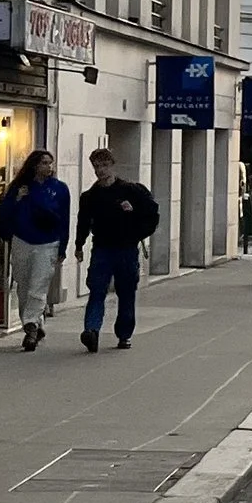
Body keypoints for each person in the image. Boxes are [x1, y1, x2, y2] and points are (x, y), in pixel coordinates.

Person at [75, 147, 161, 352]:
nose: (100, 171)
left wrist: (138, 229)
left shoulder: (132, 191)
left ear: (112, 165)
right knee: (97, 290)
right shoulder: (90, 196)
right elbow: (83, 222)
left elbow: (152, 214)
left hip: (126, 248)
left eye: (104, 166)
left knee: (126, 292)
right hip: (102, 248)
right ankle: (92, 330)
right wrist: (79, 244)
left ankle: (124, 334)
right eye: (96, 166)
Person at [0, 147, 71, 351]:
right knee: (24, 284)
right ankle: (36, 324)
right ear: (34, 165)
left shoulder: (59, 189)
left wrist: (63, 246)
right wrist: (18, 199)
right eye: (44, 162)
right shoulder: (20, 187)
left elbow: (64, 218)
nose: (48, 166)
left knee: (38, 284)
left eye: (50, 163)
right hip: (22, 240)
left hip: (48, 242)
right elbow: (5, 212)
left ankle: (30, 325)